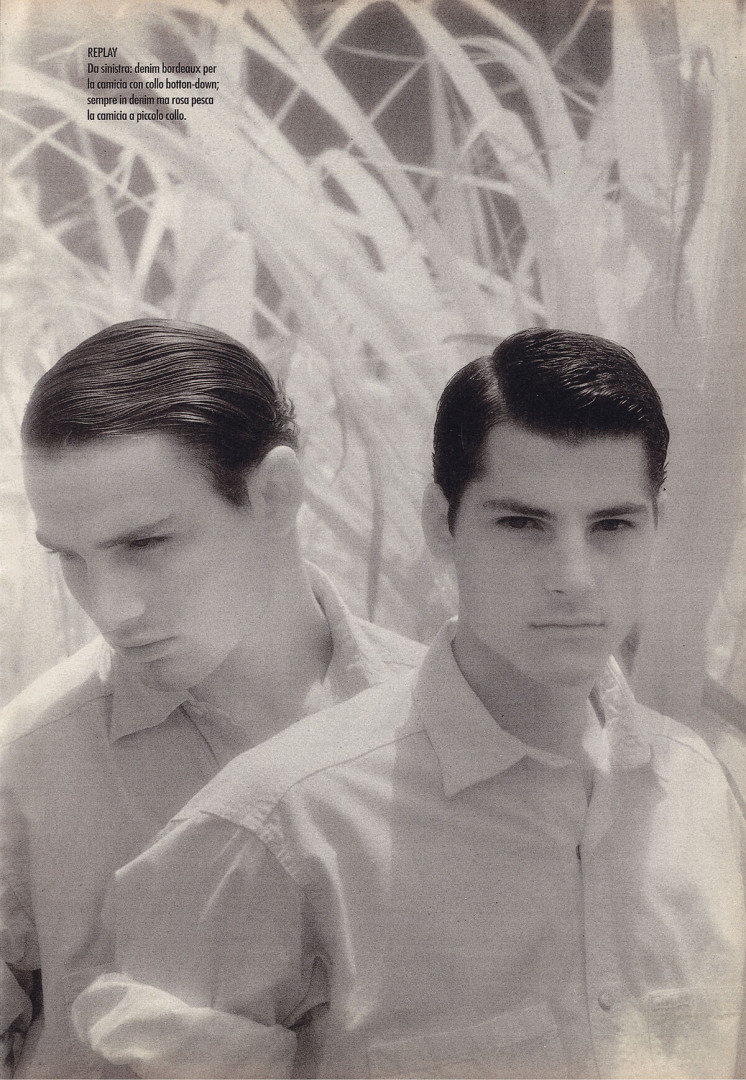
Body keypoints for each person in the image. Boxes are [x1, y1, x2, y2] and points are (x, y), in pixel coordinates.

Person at [73, 328, 746, 1079]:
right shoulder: (286, 825)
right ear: (440, 524)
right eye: (522, 523)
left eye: (612, 525)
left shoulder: (700, 792)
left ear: (658, 528)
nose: (574, 576)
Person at [0, 318, 425, 1078]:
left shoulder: (450, 726)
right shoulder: (23, 767)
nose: (112, 609)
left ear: (275, 494)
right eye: (71, 558)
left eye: (146, 544)